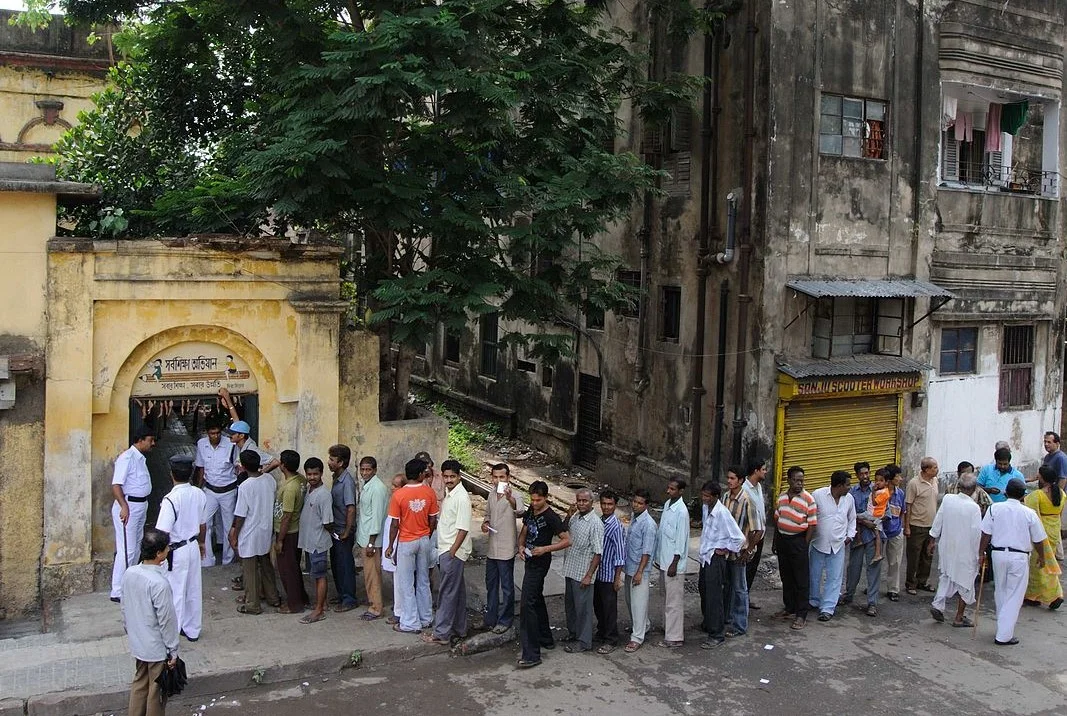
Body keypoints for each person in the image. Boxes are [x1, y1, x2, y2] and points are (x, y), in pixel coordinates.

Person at [979, 478, 1049, 645]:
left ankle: (1002, 626)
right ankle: (1004, 635)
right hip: (1019, 556)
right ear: (1023, 495)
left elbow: (985, 534)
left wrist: (980, 552)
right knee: (1015, 594)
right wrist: (1042, 556)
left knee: (1001, 590)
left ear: (1005, 493)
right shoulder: (1029, 513)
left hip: (998, 554)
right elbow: (1039, 539)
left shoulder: (994, 509)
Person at [121, 527, 178, 716]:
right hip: (155, 646)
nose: (169, 550)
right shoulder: (159, 584)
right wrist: (173, 650)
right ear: (158, 554)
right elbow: (167, 620)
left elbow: (124, 606)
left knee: (139, 684)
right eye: (166, 548)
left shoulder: (130, 573)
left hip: (138, 642)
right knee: (156, 692)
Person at [517, 481, 571, 669]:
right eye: (532, 500)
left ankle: (531, 653)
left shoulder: (551, 517)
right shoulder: (531, 511)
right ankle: (545, 638)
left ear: (546, 498)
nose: (534, 503)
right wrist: (521, 546)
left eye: (538, 500)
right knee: (536, 599)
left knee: (527, 605)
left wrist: (545, 549)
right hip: (530, 559)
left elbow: (566, 541)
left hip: (540, 563)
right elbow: (524, 530)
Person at [153, 455, 207, 642]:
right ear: (191, 473)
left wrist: (158, 556)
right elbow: (202, 524)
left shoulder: (170, 499)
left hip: (175, 550)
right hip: (192, 545)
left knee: (174, 591)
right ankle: (192, 629)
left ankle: (171, 632)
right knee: (193, 589)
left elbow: (162, 532)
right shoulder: (199, 494)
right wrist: (201, 543)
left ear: (171, 474)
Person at [385, 458, 439, 634]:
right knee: (423, 580)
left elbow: (394, 524)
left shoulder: (398, 495)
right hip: (423, 539)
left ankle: (410, 622)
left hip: (406, 542)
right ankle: (426, 618)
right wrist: (426, 535)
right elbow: (433, 520)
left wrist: (391, 546)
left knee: (407, 583)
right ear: (421, 474)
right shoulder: (429, 493)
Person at [424, 460, 472, 645]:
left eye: (453, 476)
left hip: (452, 551)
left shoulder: (461, 497)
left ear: (459, 476)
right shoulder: (450, 493)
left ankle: (441, 633)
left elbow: (463, 528)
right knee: (456, 592)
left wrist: (452, 551)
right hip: (447, 549)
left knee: (446, 593)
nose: (449, 479)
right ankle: (460, 628)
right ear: (442, 476)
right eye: (446, 476)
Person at [927, 472, 982, 628]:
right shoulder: (974, 508)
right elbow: (977, 534)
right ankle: (959, 617)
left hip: (947, 547)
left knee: (946, 575)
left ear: (958, 486)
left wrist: (932, 540)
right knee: (966, 582)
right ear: (974, 489)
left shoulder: (948, 499)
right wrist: (980, 554)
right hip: (966, 551)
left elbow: (938, 520)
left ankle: (938, 605)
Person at [229, 450, 280, 615]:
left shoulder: (245, 486)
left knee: (250, 569)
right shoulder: (270, 480)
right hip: (266, 528)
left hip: (250, 531)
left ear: (243, 467)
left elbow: (241, 515)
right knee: (266, 564)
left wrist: (235, 533)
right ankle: (273, 597)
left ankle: (252, 604)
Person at [110, 427, 157, 602]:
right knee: (126, 550)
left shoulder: (140, 458)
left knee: (136, 547)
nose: (153, 443)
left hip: (140, 505)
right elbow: (116, 485)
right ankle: (117, 590)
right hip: (129, 506)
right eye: (150, 440)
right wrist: (124, 506)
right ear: (140, 440)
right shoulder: (127, 458)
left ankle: (129, 584)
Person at [698, 481, 746, 648]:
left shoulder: (722, 513)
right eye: (703, 495)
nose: (704, 498)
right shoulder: (706, 508)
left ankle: (716, 633)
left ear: (716, 497)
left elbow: (739, 538)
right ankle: (708, 622)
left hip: (716, 559)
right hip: (706, 556)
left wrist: (725, 549)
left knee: (714, 597)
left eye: (707, 496)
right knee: (703, 590)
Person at [481, 463, 526, 633]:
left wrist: (509, 498)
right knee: (491, 585)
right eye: (495, 477)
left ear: (508, 478)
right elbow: (487, 515)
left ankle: (505, 620)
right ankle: (490, 618)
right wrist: (485, 524)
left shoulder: (515, 495)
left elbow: (520, 511)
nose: (498, 480)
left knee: (507, 587)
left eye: (502, 477)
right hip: (492, 548)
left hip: (506, 548)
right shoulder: (491, 494)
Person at [772, 466, 817, 630]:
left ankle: (801, 614)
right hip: (783, 540)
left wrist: (804, 544)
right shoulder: (782, 497)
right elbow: (777, 520)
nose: (799, 484)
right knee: (786, 576)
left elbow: (812, 525)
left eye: (801, 481)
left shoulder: (808, 499)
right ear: (788, 480)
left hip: (798, 541)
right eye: (796, 480)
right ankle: (789, 607)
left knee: (801, 579)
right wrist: (776, 542)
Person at [561, 488, 604, 654]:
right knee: (571, 606)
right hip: (570, 569)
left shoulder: (595, 524)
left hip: (583, 574)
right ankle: (573, 633)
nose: (581, 503)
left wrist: (589, 575)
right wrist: (567, 514)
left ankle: (584, 642)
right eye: (579, 500)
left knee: (583, 609)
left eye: (585, 501)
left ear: (592, 502)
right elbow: (563, 532)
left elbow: (598, 553)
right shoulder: (575, 517)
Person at [809, 471, 855, 622]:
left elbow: (852, 518)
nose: (850, 487)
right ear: (840, 485)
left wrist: (850, 535)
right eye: (848, 484)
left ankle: (827, 608)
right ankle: (813, 601)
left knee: (834, 578)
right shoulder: (818, 495)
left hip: (838, 544)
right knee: (814, 575)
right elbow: (810, 515)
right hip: (818, 543)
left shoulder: (849, 499)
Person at [194, 419, 238, 567]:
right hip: (210, 490)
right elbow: (200, 467)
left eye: (218, 433)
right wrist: (198, 490)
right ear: (207, 434)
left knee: (228, 526)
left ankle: (228, 560)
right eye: (212, 433)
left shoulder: (231, 445)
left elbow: (237, 468)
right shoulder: (201, 444)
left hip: (228, 491)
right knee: (204, 523)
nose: (215, 436)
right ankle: (207, 560)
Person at [842, 462, 883, 617]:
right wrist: (862, 521)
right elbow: (848, 513)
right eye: (862, 474)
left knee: (873, 570)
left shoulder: (878, 490)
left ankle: (872, 603)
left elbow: (885, 514)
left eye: (867, 473)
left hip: (873, 536)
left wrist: (871, 520)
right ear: (857, 475)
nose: (865, 476)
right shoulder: (851, 492)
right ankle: (848, 595)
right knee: (853, 567)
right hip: (857, 534)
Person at [722, 466, 759, 637]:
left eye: (732, 478)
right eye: (728, 478)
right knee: (728, 586)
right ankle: (728, 618)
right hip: (727, 550)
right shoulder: (726, 497)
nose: (729, 481)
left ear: (741, 480)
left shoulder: (747, 500)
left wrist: (749, 550)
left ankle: (740, 625)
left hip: (740, 552)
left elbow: (757, 529)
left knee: (740, 589)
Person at [655, 478, 690, 648]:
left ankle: (675, 637)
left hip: (673, 564)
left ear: (681, 491)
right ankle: (667, 628)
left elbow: (681, 541)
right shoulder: (668, 504)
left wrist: (674, 563)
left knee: (674, 602)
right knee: (665, 597)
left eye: (673, 489)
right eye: (668, 488)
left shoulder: (682, 512)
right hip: (664, 560)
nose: (669, 491)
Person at [1023, 465, 1064, 610]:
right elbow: (1059, 514)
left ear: (1042, 478)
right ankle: (1037, 595)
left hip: (1041, 532)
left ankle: (1053, 595)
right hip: (1054, 530)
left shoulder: (1038, 495)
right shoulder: (1061, 493)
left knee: (1039, 565)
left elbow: (1031, 512)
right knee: (1047, 561)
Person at [297, 457, 333, 624]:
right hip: (309, 542)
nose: (312, 477)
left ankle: (318, 610)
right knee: (315, 575)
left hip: (318, 542)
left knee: (320, 576)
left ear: (321, 474)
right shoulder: (308, 490)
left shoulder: (324, 495)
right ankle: (322, 604)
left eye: (315, 474)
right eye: (309, 474)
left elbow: (327, 523)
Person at [274, 450, 307, 615]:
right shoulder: (301, 480)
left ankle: (294, 604)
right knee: (294, 567)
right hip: (296, 529)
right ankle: (302, 597)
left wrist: (280, 540)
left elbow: (286, 516)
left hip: (288, 532)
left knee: (287, 570)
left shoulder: (290, 488)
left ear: (284, 466)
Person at [623, 488, 656, 653]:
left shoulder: (648, 525)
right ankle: (644, 625)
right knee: (629, 600)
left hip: (639, 569)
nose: (635, 505)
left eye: (639, 503)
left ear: (646, 505)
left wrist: (640, 572)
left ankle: (637, 637)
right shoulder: (634, 518)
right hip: (629, 566)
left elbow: (647, 552)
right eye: (634, 502)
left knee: (638, 603)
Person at [356, 456, 389, 621]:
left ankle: (376, 608)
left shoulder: (377, 488)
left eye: (368, 469)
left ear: (375, 470)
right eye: (362, 469)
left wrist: (371, 542)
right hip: (366, 537)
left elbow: (376, 518)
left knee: (372, 575)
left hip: (372, 540)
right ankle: (373, 603)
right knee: (370, 574)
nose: (364, 473)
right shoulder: (368, 486)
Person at [593, 489, 626, 654]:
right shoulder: (600, 521)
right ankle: (602, 631)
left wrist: (617, 578)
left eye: (610, 504)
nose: (606, 507)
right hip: (597, 573)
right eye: (604, 504)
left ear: (615, 505)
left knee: (609, 608)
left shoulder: (616, 527)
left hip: (609, 575)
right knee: (598, 605)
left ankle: (611, 639)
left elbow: (620, 555)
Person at [328, 444, 359, 612]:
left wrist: (347, 531)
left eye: (332, 460)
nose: (329, 462)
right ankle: (342, 595)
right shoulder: (336, 477)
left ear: (340, 463)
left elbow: (351, 508)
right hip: (336, 528)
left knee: (345, 565)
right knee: (337, 564)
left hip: (342, 529)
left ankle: (349, 599)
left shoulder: (346, 481)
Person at [904, 457, 939, 595]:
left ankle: (922, 581)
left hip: (931, 525)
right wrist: (906, 526)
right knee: (914, 556)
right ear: (926, 469)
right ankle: (910, 583)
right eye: (934, 467)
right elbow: (908, 505)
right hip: (916, 525)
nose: (937, 469)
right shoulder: (914, 483)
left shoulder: (935, 481)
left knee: (928, 555)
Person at [741, 461, 768, 608]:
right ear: (756, 471)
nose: (765, 472)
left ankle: (745, 596)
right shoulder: (745, 489)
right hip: (750, 536)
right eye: (763, 469)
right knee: (744, 569)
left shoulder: (758, 487)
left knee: (752, 569)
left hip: (760, 535)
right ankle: (740, 600)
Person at [880, 466, 907, 601]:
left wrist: (902, 527)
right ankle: (873, 586)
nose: (900, 479)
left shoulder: (900, 493)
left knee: (895, 562)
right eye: (898, 476)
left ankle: (893, 589)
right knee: (876, 561)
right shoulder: (879, 492)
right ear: (890, 478)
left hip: (895, 531)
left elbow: (903, 511)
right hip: (879, 531)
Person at [382, 473, 405, 625]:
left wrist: (392, 547)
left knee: (400, 581)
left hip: (398, 547)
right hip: (393, 546)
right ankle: (399, 609)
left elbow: (397, 527)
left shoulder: (402, 503)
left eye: (396, 486)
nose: (392, 488)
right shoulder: (395, 501)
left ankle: (399, 612)